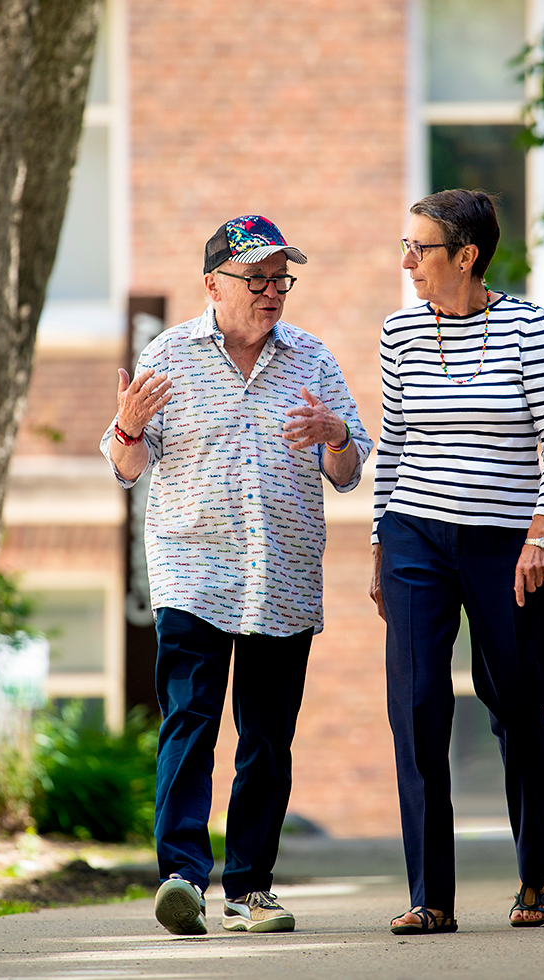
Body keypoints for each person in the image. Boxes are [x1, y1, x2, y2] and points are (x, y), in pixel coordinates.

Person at [101, 215, 372, 937]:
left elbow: (348, 473)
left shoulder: (310, 358)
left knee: (267, 740)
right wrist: (127, 426)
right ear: (212, 285)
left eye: (280, 277)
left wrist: (335, 436)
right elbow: (126, 467)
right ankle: (182, 876)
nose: (272, 290)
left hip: (281, 578)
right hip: (193, 573)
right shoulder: (168, 355)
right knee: (191, 722)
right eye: (256, 277)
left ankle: (251, 888)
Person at [369, 189, 544, 934]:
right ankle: (431, 897)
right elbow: (392, 445)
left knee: (517, 705)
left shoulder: (525, 326)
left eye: (419, 249)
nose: (406, 263)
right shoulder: (398, 333)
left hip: (507, 545)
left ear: (467, 256)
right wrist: (377, 542)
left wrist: (541, 531)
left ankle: (534, 872)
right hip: (415, 537)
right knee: (419, 707)